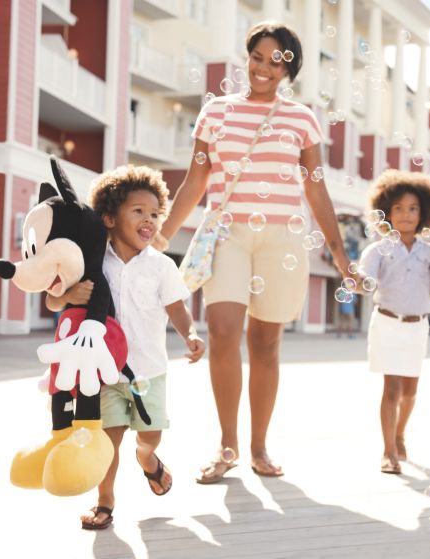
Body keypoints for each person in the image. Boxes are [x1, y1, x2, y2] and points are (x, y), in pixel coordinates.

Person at [159, 22, 353, 483]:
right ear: (246, 58)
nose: (265, 68)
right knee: (224, 331)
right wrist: (160, 239)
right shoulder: (215, 113)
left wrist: (340, 254)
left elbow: (317, 190)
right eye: (258, 57)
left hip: (283, 238)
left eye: (277, 61)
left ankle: (258, 446)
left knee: (265, 343)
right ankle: (227, 446)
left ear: (290, 70)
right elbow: (195, 182)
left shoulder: (302, 119)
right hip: (227, 233)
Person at [47, 165, 206, 529]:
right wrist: (69, 294)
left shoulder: (162, 266)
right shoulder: (90, 263)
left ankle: (148, 459)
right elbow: (54, 302)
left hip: (148, 370)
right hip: (103, 373)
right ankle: (105, 502)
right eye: (138, 211)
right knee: (107, 443)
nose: (149, 220)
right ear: (108, 218)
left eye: (154, 214)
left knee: (150, 436)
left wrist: (191, 335)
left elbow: (176, 307)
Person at [359, 170, 430, 474]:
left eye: (413, 208)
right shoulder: (377, 250)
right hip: (388, 324)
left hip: (417, 326)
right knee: (391, 389)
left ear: (424, 213)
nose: (406, 215)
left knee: (409, 392)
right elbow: (365, 279)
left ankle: (400, 432)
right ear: (386, 212)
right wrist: (356, 281)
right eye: (399, 208)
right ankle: (388, 450)